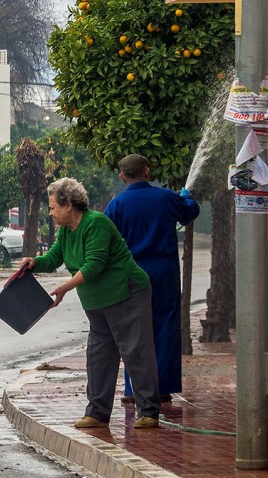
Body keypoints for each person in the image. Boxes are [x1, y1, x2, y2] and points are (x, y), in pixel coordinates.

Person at [20, 177, 161, 430]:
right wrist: (34, 263)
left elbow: (94, 265)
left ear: (69, 205)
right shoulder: (65, 231)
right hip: (97, 303)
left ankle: (148, 411)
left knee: (135, 352)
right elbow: (53, 259)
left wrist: (65, 288)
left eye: (53, 207)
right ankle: (97, 412)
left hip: (126, 293)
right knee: (98, 356)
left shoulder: (96, 224)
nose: (50, 212)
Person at [103, 154, 200, 405]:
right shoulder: (166, 198)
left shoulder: (116, 206)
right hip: (164, 271)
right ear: (147, 171)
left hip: (131, 273)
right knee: (165, 327)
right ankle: (163, 388)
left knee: (134, 330)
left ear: (122, 176)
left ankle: (134, 389)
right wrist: (186, 195)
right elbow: (190, 212)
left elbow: (107, 241)